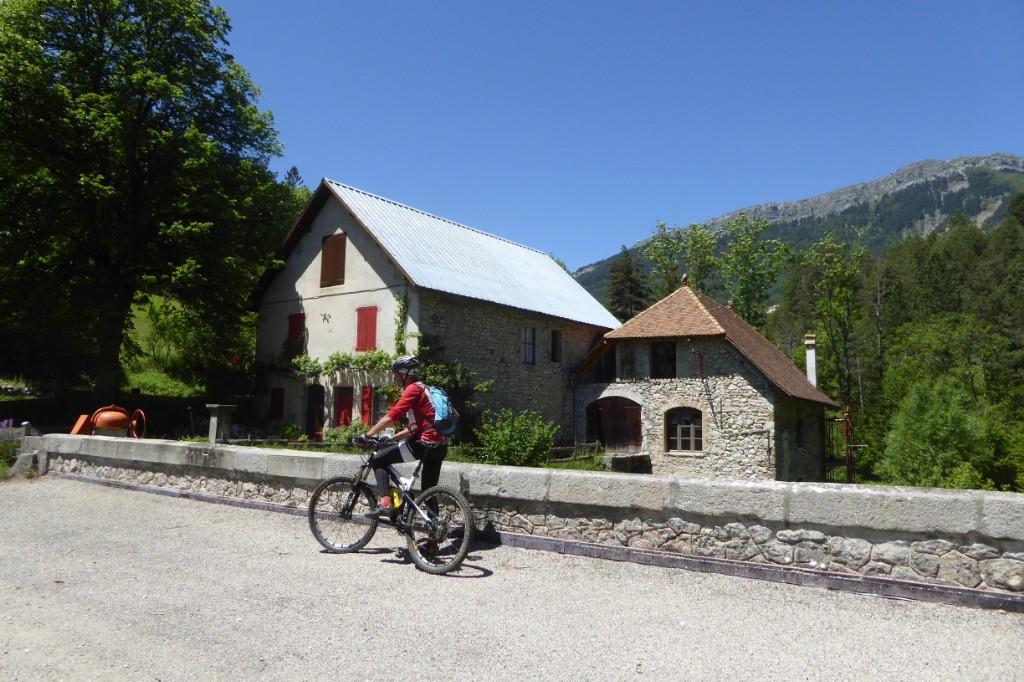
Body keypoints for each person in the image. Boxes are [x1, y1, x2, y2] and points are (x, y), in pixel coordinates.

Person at [356, 356, 447, 518]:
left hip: (422, 444)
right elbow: (416, 427)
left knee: (378, 460)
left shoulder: (413, 389)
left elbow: (392, 416)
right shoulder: (426, 389)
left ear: (404, 374)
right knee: (429, 492)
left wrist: (367, 435)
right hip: (439, 445)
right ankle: (434, 536)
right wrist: (391, 438)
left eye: (396, 375)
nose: (394, 379)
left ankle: (386, 505)